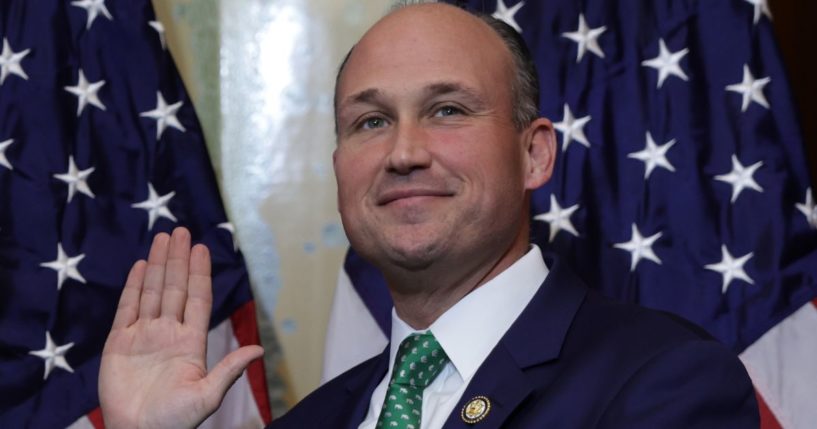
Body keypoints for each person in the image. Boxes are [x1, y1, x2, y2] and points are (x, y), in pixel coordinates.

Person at [99, 3, 759, 428]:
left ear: (533, 154)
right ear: (338, 167)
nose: (403, 152)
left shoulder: (664, 382)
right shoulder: (313, 420)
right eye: (370, 120)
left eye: (447, 109)